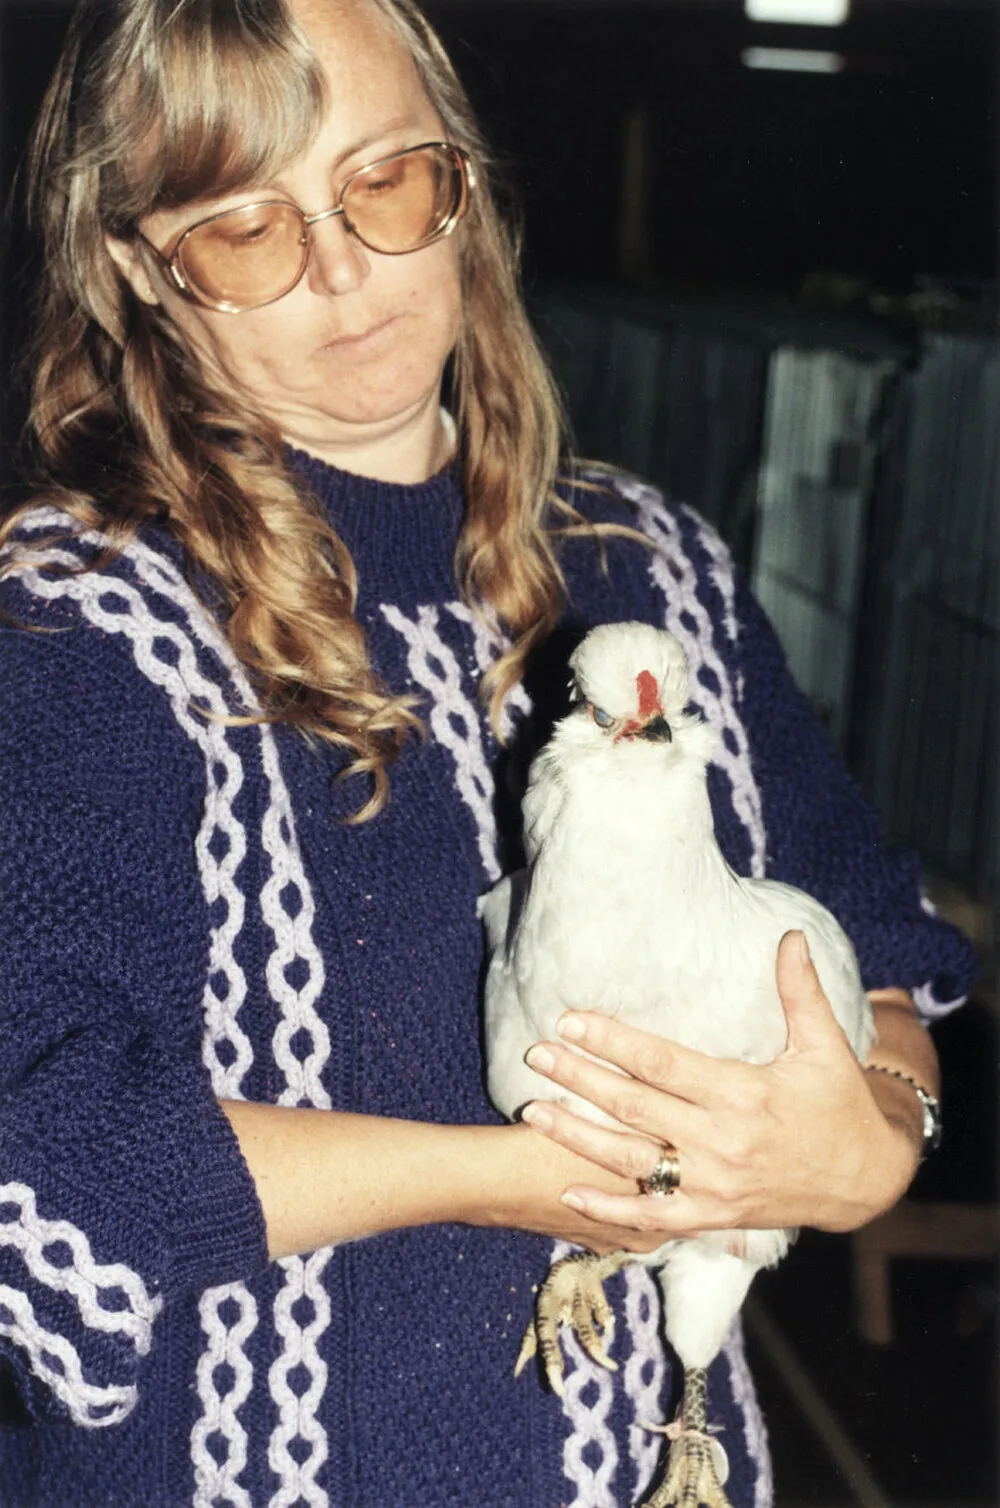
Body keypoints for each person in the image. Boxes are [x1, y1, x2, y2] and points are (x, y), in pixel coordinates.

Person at [0, 1, 976, 1505]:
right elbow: (50, 1153)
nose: (343, 269)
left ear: (463, 184)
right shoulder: (82, 626)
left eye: (385, 182)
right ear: (140, 267)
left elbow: (866, 929)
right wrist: (522, 1173)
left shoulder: (651, 572)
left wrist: (879, 1131)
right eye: (246, 228)